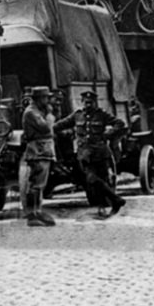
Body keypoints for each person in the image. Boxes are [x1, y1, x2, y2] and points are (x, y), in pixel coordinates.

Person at [53, 90, 127, 218]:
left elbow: (119, 123)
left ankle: (103, 207)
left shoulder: (101, 114)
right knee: (91, 179)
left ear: (95, 102)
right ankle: (116, 200)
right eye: (86, 102)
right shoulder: (77, 115)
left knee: (102, 180)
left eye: (91, 102)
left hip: (101, 152)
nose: (88, 105)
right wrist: (46, 128)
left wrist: (108, 134)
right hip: (85, 155)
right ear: (82, 102)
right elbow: (59, 125)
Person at [20, 86, 57, 227]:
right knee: (36, 184)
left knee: (40, 185)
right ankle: (32, 215)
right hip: (38, 151)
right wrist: (50, 116)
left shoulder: (37, 111)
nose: (48, 100)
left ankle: (37, 211)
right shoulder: (31, 113)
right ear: (39, 99)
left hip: (43, 151)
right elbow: (46, 128)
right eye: (46, 97)